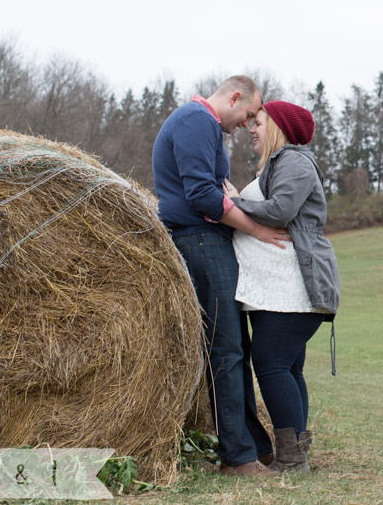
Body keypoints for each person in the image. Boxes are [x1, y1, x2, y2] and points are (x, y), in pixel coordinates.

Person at [152, 76, 287, 478]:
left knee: (235, 348)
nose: (247, 125)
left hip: (210, 241)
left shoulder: (202, 124)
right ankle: (237, 457)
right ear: (233, 97)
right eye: (247, 114)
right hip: (200, 241)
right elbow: (201, 195)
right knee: (225, 351)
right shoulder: (197, 120)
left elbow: (214, 189)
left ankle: (254, 447)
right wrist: (256, 228)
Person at [223, 100, 340, 473]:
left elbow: (280, 210)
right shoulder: (280, 164)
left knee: (271, 365)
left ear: (278, 126)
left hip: (290, 288)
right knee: (288, 369)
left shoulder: (293, 161)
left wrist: (231, 202)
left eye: (259, 122)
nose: (252, 129)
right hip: (277, 288)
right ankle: (297, 454)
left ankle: (291, 459)